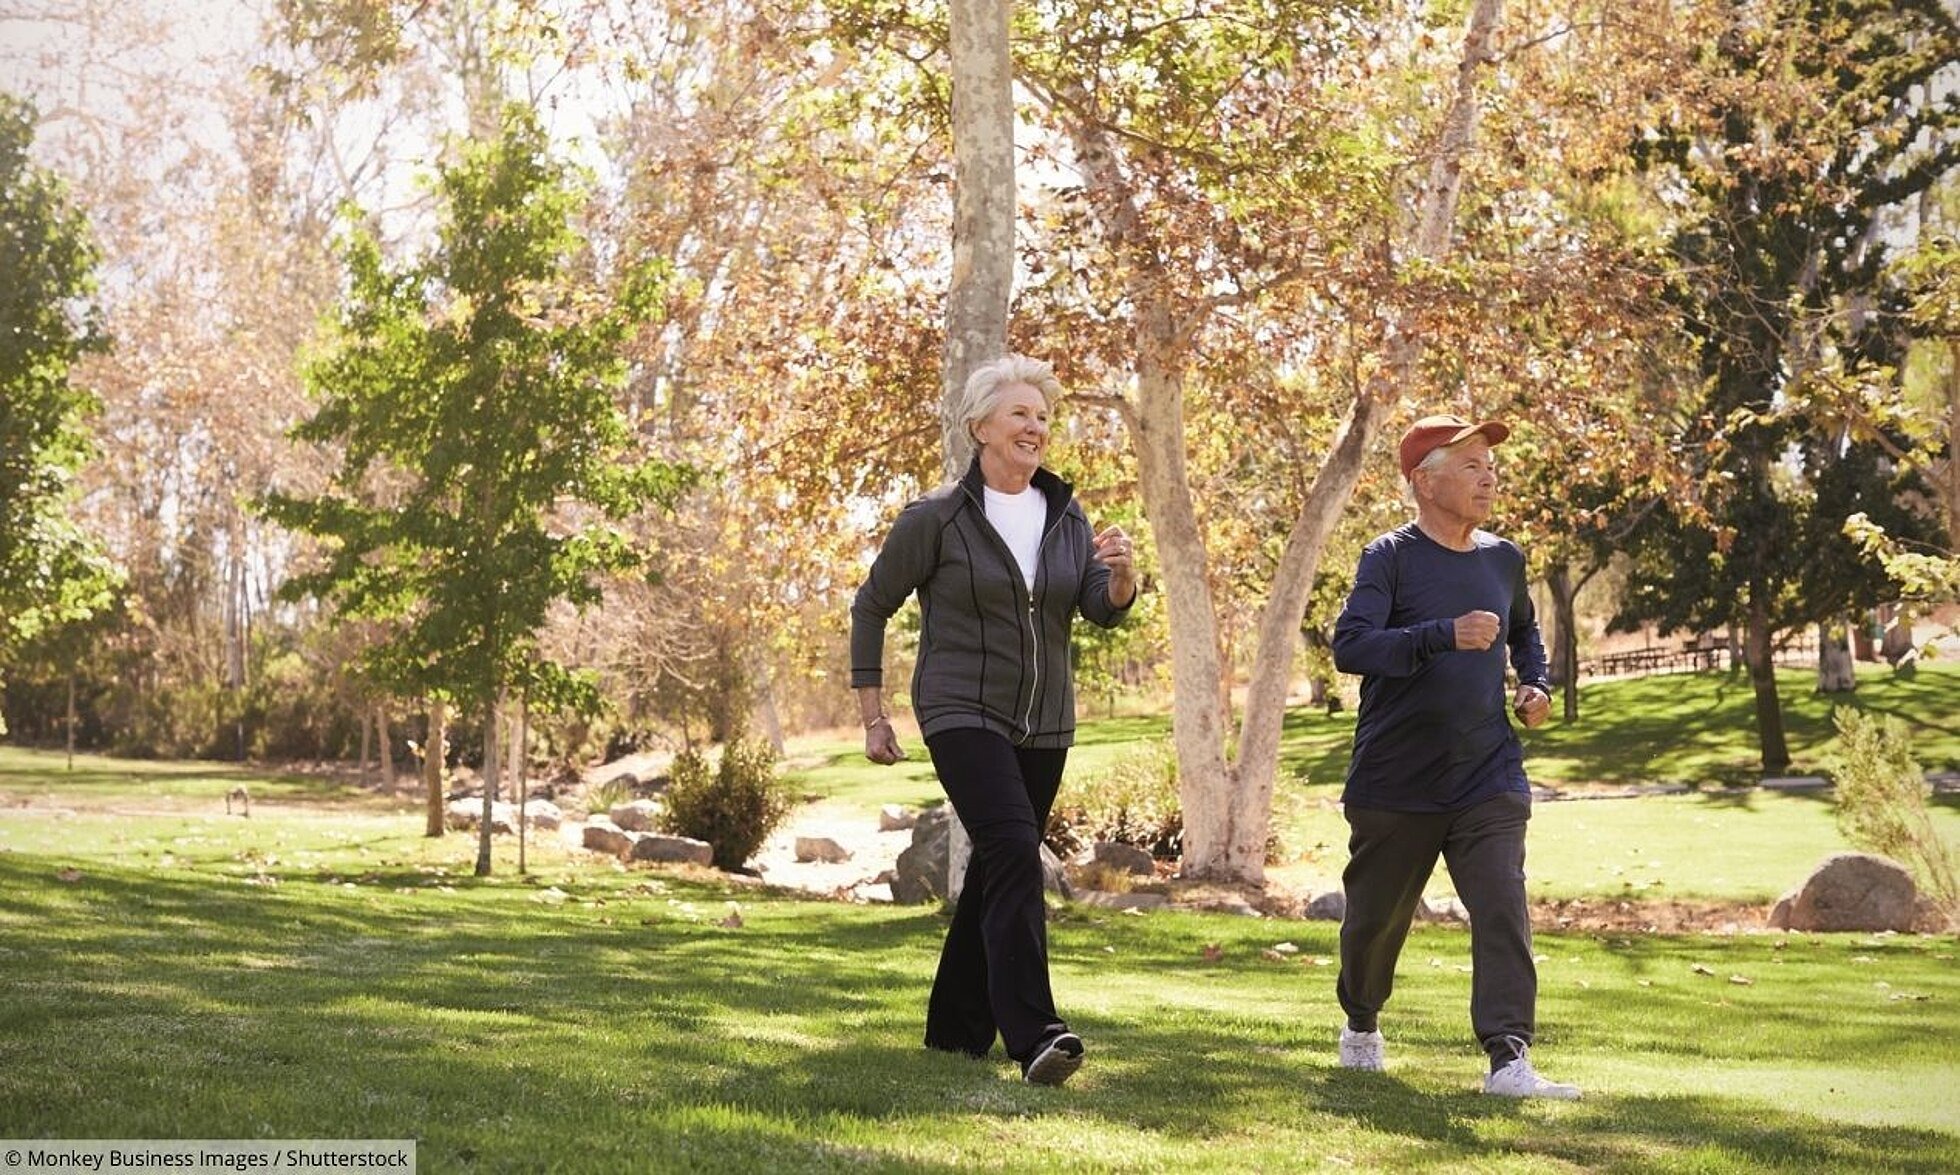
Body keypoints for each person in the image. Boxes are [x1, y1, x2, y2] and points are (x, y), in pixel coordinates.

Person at [850, 353, 1137, 1087]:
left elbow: (1098, 608)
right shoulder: (937, 516)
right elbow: (871, 604)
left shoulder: (1066, 514)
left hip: (1044, 719)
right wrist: (872, 713)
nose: (1035, 426)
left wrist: (1124, 580)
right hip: (959, 705)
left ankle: (953, 1030)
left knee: (997, 865)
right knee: (1012, 843)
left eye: (1042, 416)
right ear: (980, 426)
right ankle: (1037, 1032)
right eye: (1019, 414)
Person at [1329, 413, 1580, 1100]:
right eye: (1469, 464)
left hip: (1486, 772)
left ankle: (1508, 1057)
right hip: (1396, 778)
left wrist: (1535, 685)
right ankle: (1361, 1020)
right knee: (1375, 922)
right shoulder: (1390, 557)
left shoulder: (1503, 558)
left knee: (1502, 901)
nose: (1488, 474)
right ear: (1424, 481)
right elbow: (1351, 646)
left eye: (1489, 464)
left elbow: (1525, 633)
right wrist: (1442, 635)